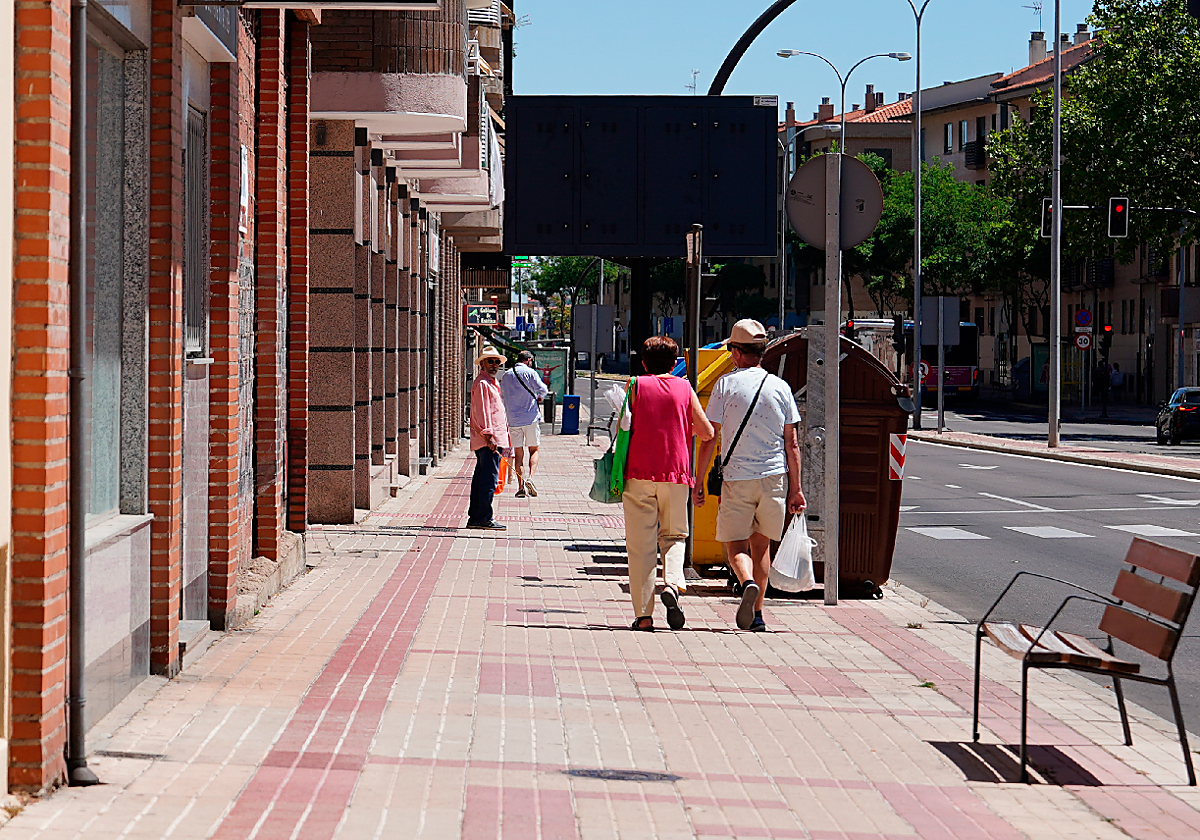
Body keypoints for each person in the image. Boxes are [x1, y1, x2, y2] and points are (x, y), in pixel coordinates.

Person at [694, 319, 806, 632]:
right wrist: (796, 489)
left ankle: (745, 585)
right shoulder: (780, 387)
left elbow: (709, 438)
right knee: (762, 547)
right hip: (774, 477)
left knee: (735, 546)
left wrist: (699, 480)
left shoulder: (725, 385)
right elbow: (793, 443)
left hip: (737, 478)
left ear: (737, 352)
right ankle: (757, 615)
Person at [621, 336, 714, 632]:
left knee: (641, 547)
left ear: (644, 363)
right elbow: (707, 431)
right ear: (675, 364)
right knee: (674, 536)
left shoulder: (635, 386)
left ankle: (644, 616)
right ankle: (673, 584)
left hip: (637, 473)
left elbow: (623, 426)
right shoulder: (684, 388)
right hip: (675, 474)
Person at [467, 346, 510, 530]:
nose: (494, 365)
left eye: (497, 362)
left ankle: (476, 517)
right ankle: (483, 517)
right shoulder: (483, 383)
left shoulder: (492, 382)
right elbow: (482, 411)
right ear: (482, 363)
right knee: (488, 479)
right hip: (489, 440)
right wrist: (489, 435)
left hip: (493, 438)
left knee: (481, 478)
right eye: (490, 361)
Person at [500, 350, 550, 497]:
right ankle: (531, 478)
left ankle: (520, 487)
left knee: (518, 453)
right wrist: (539, 397)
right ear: (528, 360)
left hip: (513, 420)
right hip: (530, 418)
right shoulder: (531, 373)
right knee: (534, 449)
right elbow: (543, 389)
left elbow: (502, 396)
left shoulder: (506, 375)